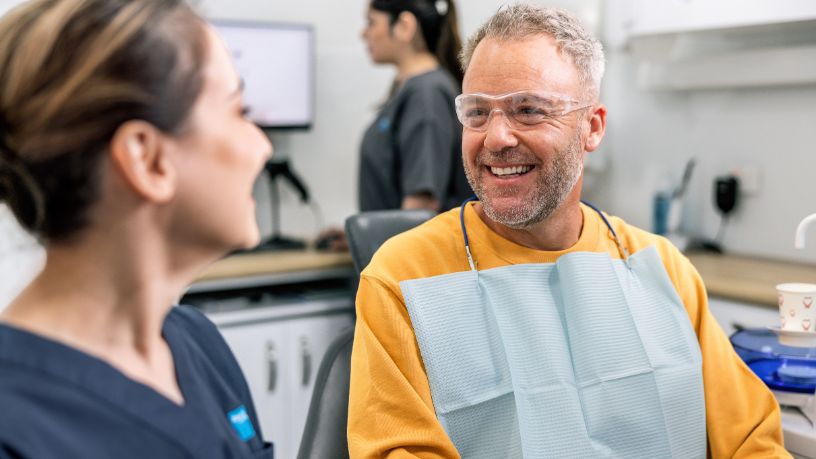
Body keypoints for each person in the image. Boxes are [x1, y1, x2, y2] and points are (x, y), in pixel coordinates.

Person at [347, 5, 789, 458]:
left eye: (529, 110)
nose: (496, 138)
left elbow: (751, 442)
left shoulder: (661, 269)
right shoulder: (401, 279)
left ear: (591, 127)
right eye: (477, 113)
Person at [0, 0, 274, 457]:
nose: (261, 147)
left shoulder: (198, 345)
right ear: (148, 159)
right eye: (238, 111)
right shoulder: (15, 426)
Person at [358, 0, 471, 214]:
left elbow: (421, 207)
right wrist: (360, 232)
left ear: (404, 26)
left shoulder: (427, 94)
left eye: (371, 22)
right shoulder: (413, 89)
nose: (363, 33)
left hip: (403, 246)